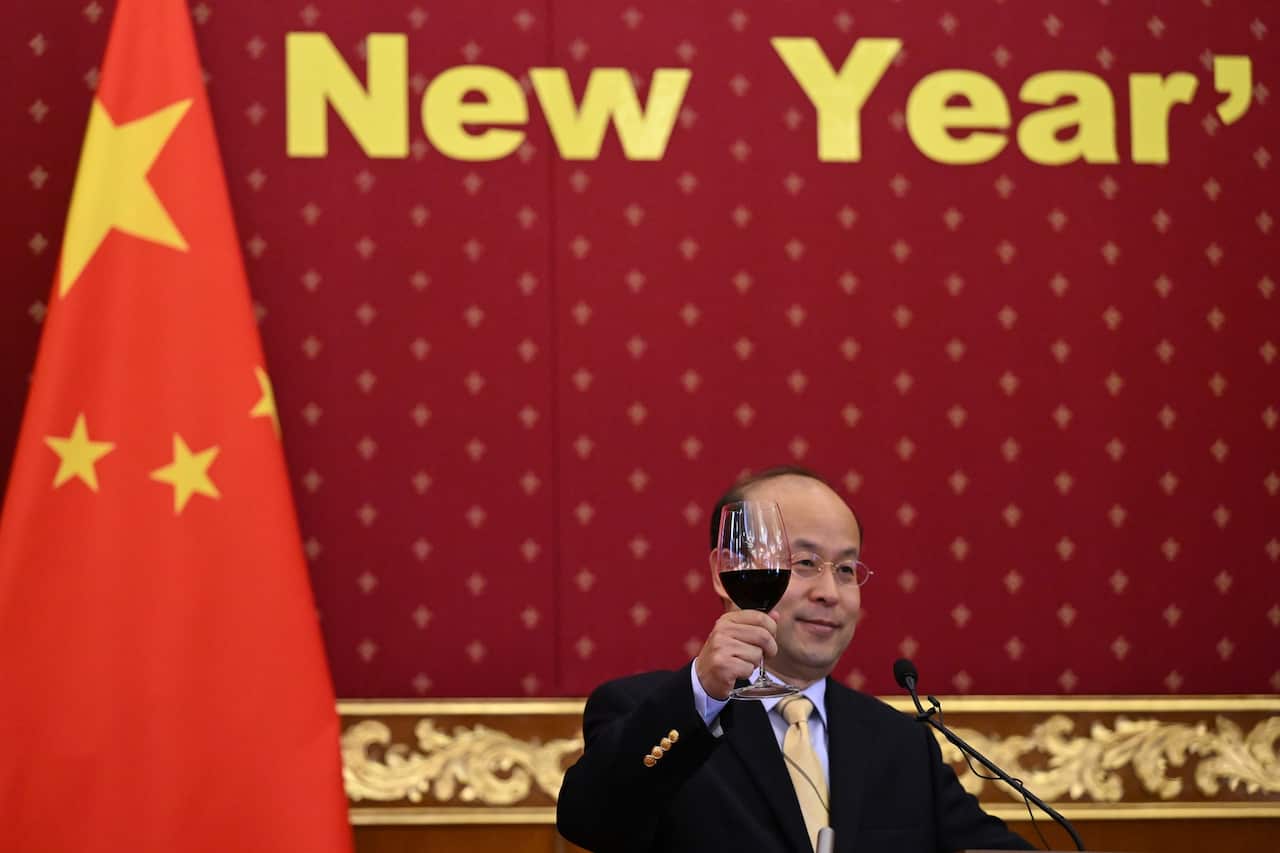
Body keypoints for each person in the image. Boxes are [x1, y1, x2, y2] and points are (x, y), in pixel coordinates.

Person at [556, 466, 1033, 852]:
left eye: (846, 569)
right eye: (805, 564)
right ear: (727, 573)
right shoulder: (647, 710)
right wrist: (701, 692)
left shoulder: (900, 742)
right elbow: (593, 823)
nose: (830, 592)